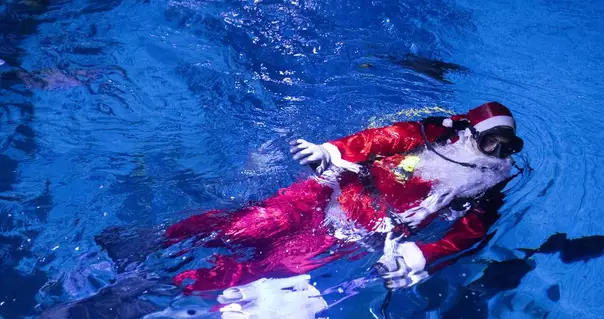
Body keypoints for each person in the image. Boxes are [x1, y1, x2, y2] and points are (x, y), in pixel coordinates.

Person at [165, 101, 524, 293]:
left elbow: (472, 230)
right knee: (248, 225)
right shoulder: (433, 134)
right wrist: (331, 151)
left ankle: (166, 286)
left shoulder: (491, 180)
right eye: (489, 141)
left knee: (278, 265)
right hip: (332, 189)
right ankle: (161, 238)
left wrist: (422, 255)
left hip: (360, 228)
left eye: (506, 147)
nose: (494, 152)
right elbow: (383, 138)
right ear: (469, 132)